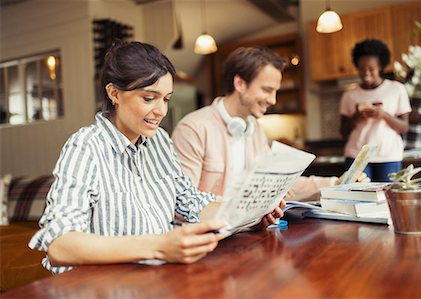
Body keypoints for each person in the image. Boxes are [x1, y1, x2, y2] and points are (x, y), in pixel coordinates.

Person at [29, 41, 283, 274]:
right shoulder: (86, 147)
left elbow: (192, 204)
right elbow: (60, 245)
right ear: (114, 93)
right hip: (102, 285)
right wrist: (159, 246)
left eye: (166, 99)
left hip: (155, 279)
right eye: (149, 98)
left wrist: (250, 214)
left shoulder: (158, 141)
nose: (161, 111)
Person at [172, 46, 365, 202]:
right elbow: (182, 202)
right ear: (240, 84)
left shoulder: (253, 129)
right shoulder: (193, 129)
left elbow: (279, 184)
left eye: (275, 91)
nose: (273, 100)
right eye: (266, 89)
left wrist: (335, 184)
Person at [340, 39, 411, 182]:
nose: (366, 73)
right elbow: (343, 131)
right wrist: (356, 116)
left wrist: (383, 115)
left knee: (387, 199)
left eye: (371, 69)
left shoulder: (396, 89)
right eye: (361, 69)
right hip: (357, 155)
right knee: (357, 197)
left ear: (380, 67)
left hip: (389, 155)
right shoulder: (349, 96)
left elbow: (404, 127)